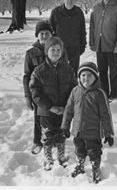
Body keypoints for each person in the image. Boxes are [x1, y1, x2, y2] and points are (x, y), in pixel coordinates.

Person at [29, 37, 77, 171]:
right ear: (46, 51)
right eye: (52, 49)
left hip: (63, 109)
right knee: (48, 134)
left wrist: (67, 106)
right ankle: (48, 156)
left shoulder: (68, 69)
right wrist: (50, 107)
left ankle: (61, 155)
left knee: (61, 133)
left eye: (58, 50)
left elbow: (74, 89)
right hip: (46, 111)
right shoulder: (39, 71)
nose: (55, 52)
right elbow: (35, 92)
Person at [61, 62, 114, 183]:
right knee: (79, 150)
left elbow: (106, 115)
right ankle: (80, 165)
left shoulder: (99, 94)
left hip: (93, 132)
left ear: (95, 77)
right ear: (79, 77)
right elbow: (68, 110)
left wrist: (108, 133)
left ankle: (95, 168)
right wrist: (65, 127)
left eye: (90, 75)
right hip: (78, 131)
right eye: (83, 75)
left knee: (94, 152)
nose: (86, 78)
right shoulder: (75, 91)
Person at [23, 20, 68, 155]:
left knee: (56, 116)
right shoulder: (30, 53)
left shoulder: (59, 49)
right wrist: (28, 96)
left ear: (51, 34)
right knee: (39, 117)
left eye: (47, 33)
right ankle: (38, 141)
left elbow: (65, 70)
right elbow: (26, 75)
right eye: (41, 33)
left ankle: (56, 140)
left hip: (56, 89)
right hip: (38, 92)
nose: (44, 36)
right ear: (37, 35)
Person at [89, 0, 117, 100]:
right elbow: (92, 25)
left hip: (113, 45)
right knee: (102, 70)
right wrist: (92, 42)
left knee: (113, 71)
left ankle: (115, 93)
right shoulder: (96, 7)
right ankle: (104, 92)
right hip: (99, 45)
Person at [49, 0, 87, 74]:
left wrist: (83, 46)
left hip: (75, 47)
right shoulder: (56, 12)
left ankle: (73, 87)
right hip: (60, 49)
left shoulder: (79, 12)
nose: (69, 0)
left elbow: (82, 31)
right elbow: (51, 31)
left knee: (73, 72)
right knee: (59, 72)